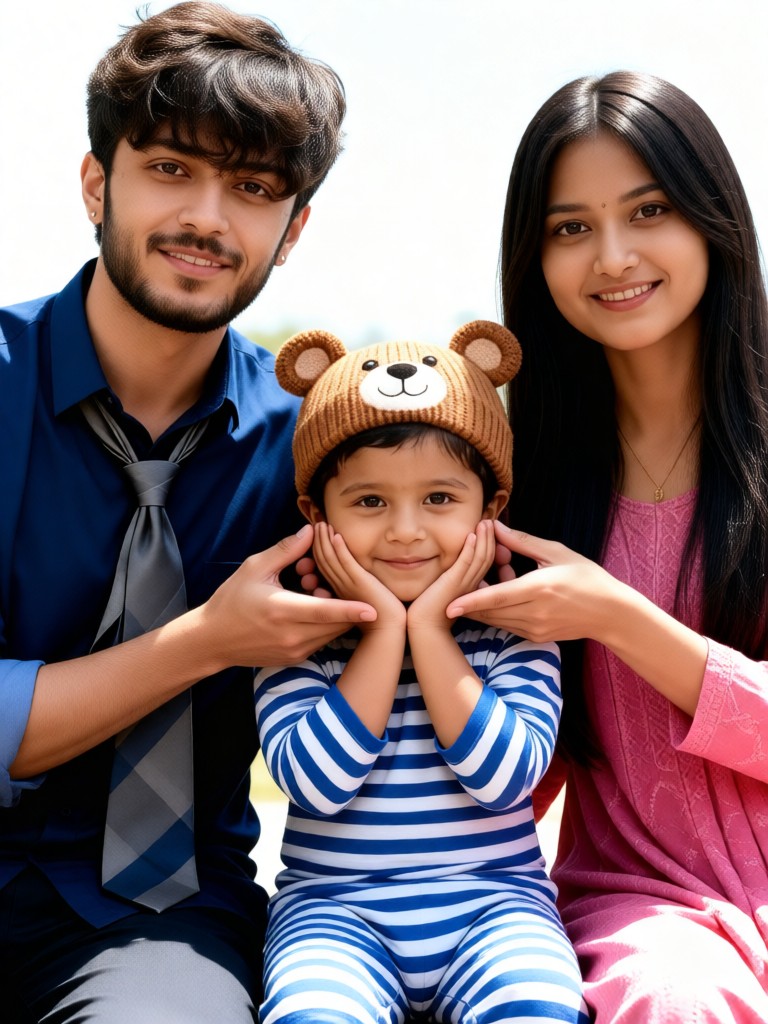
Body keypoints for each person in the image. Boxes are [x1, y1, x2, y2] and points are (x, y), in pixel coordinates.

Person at [0, 4, 378, 1022]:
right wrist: (209, 640)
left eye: (253, 189)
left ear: (292, 230)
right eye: (170, 167)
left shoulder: (316, 450)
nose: (208, 217)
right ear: (96, 182)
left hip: (160, 926)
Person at [442, 72, 768, 1022]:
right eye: (570, 226)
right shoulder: (519, 484)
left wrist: (616, 617)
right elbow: (512, 764)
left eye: (649, 210)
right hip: (645, 912)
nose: (613, 256)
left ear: (712, 218)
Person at [254, 323, 590, 1024]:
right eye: (370, 502)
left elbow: (504, 780)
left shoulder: (517, 633)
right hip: (334, 918)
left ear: (490, 508)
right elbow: (318, 783)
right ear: (317, 517)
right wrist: (382, 634)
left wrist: (431, 630)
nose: (406, 531)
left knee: (537, 1007)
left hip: (497, 911)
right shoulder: (297, 639)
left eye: (439, 499)